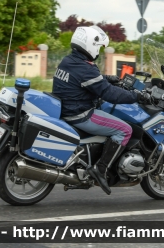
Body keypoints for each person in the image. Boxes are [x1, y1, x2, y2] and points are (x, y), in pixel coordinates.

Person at [52, 26, 150, 195]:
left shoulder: (69, 61)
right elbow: (109, 94)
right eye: (98, 46)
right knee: (125, 130)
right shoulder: (86, 68)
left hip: (66, 109)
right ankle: (100, 169)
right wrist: (137, 96)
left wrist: (107, 78)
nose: (98, 50)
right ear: (90, 44)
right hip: (80, 114)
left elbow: (87, 80)